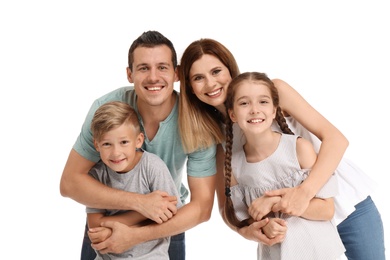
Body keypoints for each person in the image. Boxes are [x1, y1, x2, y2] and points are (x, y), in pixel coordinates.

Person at [178, 38, 385, 259]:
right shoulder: (214, 136)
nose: (211, 84)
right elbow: (226, 206)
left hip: (343, 203)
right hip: (294, 230)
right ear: (190, 88)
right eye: (199, 78)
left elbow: (336, 139)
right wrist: (247, 230)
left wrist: (303, 194)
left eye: (216, 71)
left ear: (230, 69)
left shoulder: (271, 91)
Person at [60, 31, 217, 260]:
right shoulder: (106, 109)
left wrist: (135, 235)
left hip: (166, 222)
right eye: (143, 68)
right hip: (105, 224)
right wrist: (140, 203)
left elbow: (202, 208)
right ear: (129, 74)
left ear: (176, 73)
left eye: (162, 67)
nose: (153, 77)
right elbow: (69, 183)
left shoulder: (196, 122)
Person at [223, 71, 345, 259]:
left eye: (263, 102)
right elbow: (247, 218)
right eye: (244, 103)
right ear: (232, 114)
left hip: (319, 252)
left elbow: (327, 210)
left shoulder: (299, 149)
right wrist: (265, 226)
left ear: (274, 111)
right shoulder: (235, 167)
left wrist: (276, 202)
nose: (254, 109)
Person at [87, 101, 183, 259]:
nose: (116, 153)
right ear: (97, 145)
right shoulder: (96, 176)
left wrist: (111, 225)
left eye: (124, 142)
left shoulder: (152, 166)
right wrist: (146, 210)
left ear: (138, 140)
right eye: (107, 144)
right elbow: (95, 228)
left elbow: (170, 210)